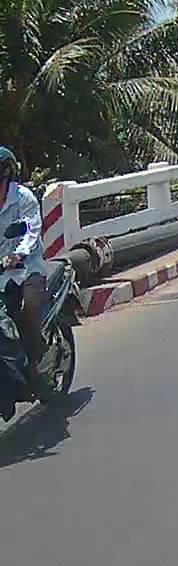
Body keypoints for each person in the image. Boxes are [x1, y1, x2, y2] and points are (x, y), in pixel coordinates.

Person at [0, 146, 54, 397]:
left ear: (6, 174)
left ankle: (36, 361)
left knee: (28, 307)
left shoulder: (23, 198)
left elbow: (31, 231)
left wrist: (18, 254)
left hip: (26, 269)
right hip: (1, 273)